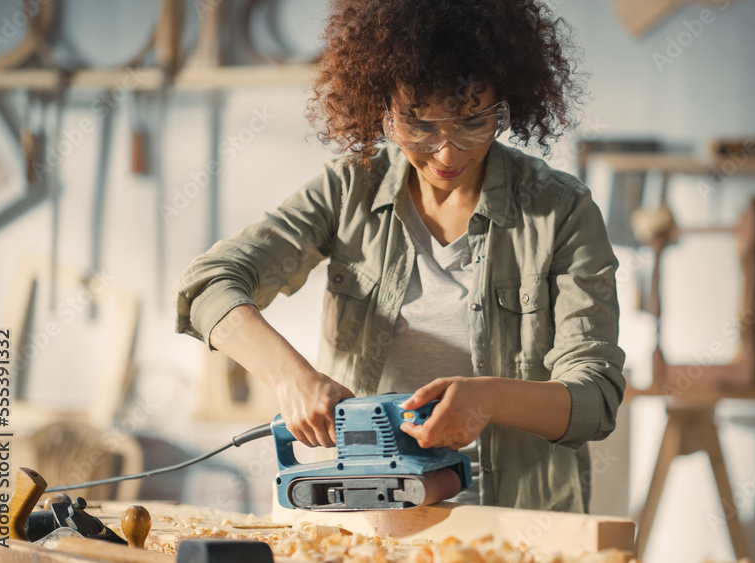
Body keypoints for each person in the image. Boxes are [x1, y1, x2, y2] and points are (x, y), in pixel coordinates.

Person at [174, 0, 624, 513]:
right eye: (419, 125)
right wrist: (290, 378)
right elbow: (207, 285)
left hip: (513, 519)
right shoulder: (350, 190)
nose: (447, 153)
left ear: (506, 99)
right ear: (381, 108)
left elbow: (595, 399)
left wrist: (487, 399)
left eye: (473, 122)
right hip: (362, 517)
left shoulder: (560, 211)